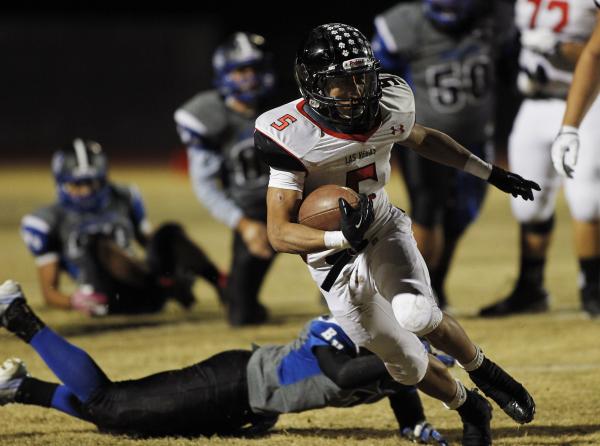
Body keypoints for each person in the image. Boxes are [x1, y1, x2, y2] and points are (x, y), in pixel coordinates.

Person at [254, 23, 539, 445]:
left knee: (417, 315)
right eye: (341, 83)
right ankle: (469, 405)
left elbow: (421, 138)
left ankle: (488, 373)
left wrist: (489, 172)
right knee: (403, 362)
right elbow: (279, 234)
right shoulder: (288, 134)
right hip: (328, 255)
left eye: (360, 77)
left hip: (381, 224)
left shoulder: (389, 101)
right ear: (313, 84)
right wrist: (338, 240)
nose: (355, 91)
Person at [0, 281, 448, 444]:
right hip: (233, 381)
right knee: (110, 404)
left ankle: (20, 388)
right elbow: (344, 374)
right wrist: (415, 357)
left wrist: (413, 427)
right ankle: (19, 316)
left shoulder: (395, 360)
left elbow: (400, 389)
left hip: (247, 406)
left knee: (126, 421)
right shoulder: (340, 327)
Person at [372, 0, 498, 309]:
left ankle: (435, 286)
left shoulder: (495, 19)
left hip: (476, 139)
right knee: (427, 210)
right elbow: (375, 78)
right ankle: (412, 289)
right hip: (424, 139)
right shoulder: (404, 23)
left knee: (461, 216)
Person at [479, 1, 600, 317]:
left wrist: (559, 48)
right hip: (534, 102)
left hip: (587, 104)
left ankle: (593, 287)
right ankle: (530, 287)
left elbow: (595, 55)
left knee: (588, 201)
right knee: (527, 204)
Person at [20, 139, 225, 316]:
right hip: (108, 298)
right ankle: (169, 287)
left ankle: (221, 284)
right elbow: (49, 293)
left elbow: (149, 241)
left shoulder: (124, 196)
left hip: (144, 286)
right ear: (61, 183)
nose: (85, 191)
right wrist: (75, 301)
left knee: (168, 232)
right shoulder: (45, 220)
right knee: (95, 242)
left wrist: (173, 258)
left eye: (91, 183)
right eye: (77, 185)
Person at [174, 32, 277, 326]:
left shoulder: (284, 104)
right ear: (225, 74)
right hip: (254, 213)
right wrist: (244, 226)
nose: (251, 78)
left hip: (296, 199)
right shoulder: (210, 115)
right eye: (241, 70)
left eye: (255, 69)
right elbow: (205, 186)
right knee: (241, 314)